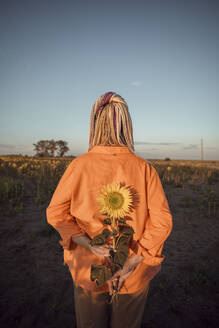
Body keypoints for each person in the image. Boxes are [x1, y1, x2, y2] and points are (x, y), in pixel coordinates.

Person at [46, 91, 173, 328]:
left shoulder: (78, 166)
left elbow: (56, 213)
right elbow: (162, 221)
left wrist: (88, 243)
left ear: (95, 122)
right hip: (133, 274)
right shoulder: (145, 169)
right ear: (127, 123)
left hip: (87, 269)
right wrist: (132, 261)